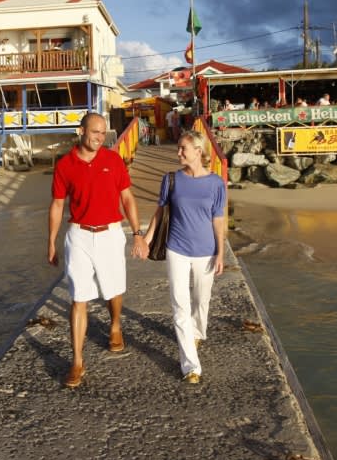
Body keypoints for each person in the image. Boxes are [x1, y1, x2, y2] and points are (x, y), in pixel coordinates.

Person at [48, 112, 148, 388]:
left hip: (110, 234)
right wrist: (51, 242)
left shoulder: (113, 160)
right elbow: (57, 205)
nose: (100, 138)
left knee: (113, 289)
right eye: (95, 132)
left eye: (103, 133)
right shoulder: (65, 165)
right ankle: (77, 361)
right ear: (81, 131)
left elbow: (127, 197)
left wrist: (138, 235)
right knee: (78, 298)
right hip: (79, 235)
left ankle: (115, 324)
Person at [136, 130, 225, 385]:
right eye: (178, 148)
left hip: (206, 251)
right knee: (179, 305)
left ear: (198, 151)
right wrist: (147, 239)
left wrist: (220, 251)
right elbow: (160, 211)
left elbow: (218, 219)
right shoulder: (171, 179)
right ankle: (191, 366)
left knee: (202, 300)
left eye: (182, 149)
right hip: (176, 248)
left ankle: (197, 332)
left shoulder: (216, 183)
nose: (178, 153)